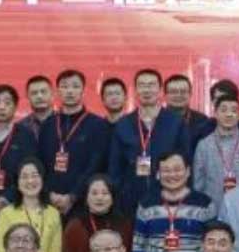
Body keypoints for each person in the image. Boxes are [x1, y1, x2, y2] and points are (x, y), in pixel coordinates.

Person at [110, 69, 189, 213]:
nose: (147, 90)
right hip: (130, 201)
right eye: (142, 85)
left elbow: (186, 161)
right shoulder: (123, 124)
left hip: (168, 198)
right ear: (135, 90)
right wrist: (120, 194)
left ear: (160, 90)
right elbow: (115, 167)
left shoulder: (175, 122)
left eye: (151, 85)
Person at [40, 70, 112, 215]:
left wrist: (73, 196)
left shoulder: (98, 125)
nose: (70, 91)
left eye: (75, 86)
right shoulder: (48, 124)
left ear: (83, 91)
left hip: (83, 202)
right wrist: (49, 193)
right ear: (57, 91)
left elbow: (96, 164)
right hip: (50, 201)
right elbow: (41, 163)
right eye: (65, 86)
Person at [0, 160, 64, 252]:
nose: (30, 181)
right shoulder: (6, 213)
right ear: (17, 183)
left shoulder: (53, 214)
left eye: (34, 176)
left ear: (42, 180)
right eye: (24, 177)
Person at [0, 86, 41, 195]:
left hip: (16, 199)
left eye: (7, 103)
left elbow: (31, 170)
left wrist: (9, 197)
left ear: (15, 107)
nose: (2, 107)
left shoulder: (26, 135)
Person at [194, 93, 239, 205]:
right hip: (213, 209)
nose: (229, 114)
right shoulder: (204, 145)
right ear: (215, 113)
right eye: (223, 110)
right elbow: (198, 184)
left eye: (234, 111)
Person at [165, 74, 217, 155]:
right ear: (165, 95)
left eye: (183, 92)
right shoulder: (156, 120)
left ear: (190, 94)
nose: (178, 95)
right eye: (173, 92)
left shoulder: (203, 121)